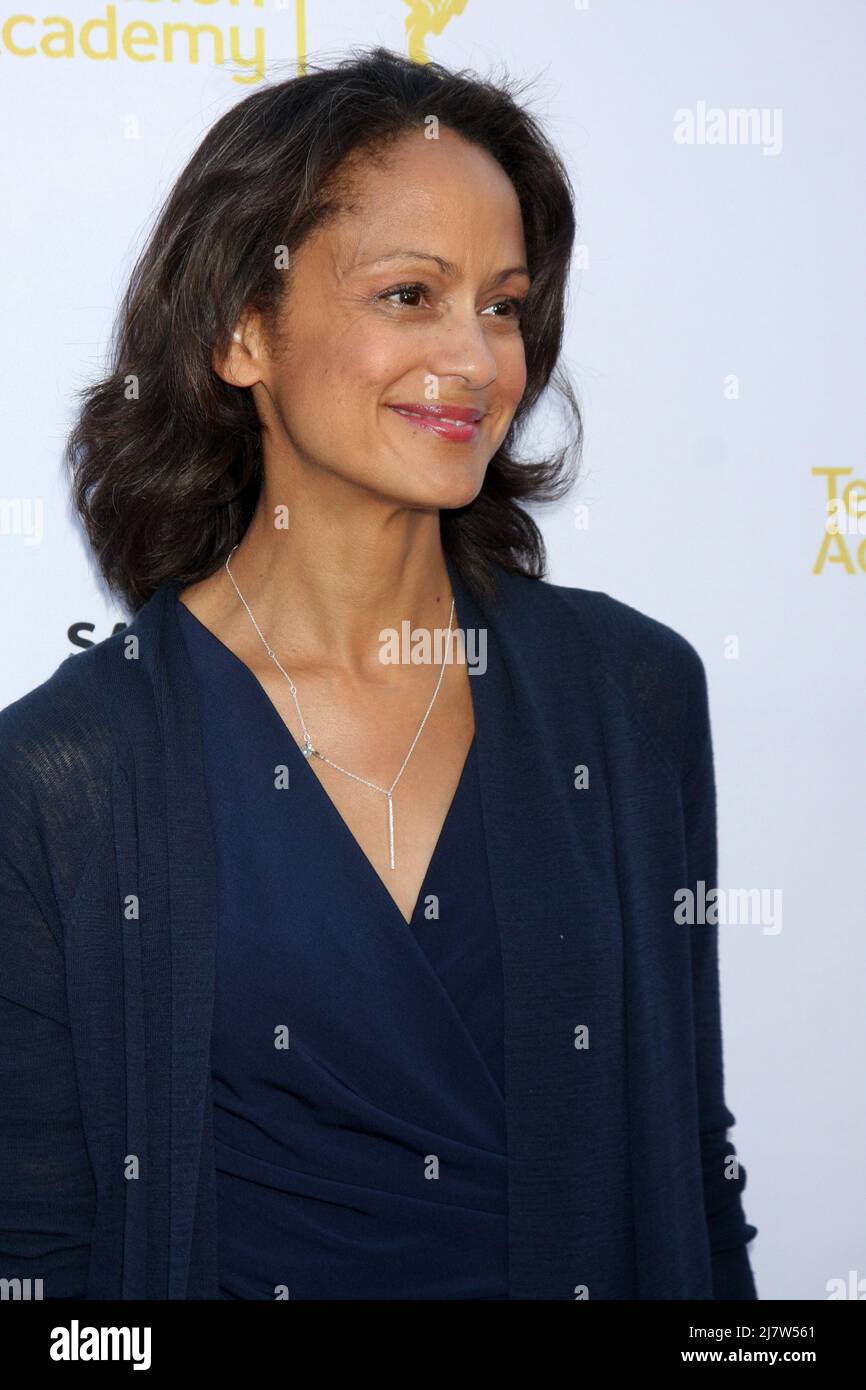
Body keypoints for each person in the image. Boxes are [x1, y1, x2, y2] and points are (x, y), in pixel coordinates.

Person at [0, 46, 758, 1300]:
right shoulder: (65, 777)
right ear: (244, 330)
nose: (476, 359)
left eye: (504, 304)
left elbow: (687, 1163)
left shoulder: (629, 697)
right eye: (411, 294)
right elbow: (37, 1261)